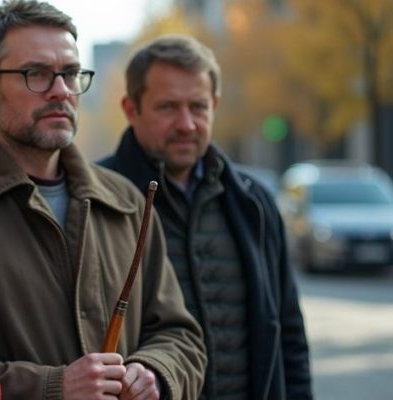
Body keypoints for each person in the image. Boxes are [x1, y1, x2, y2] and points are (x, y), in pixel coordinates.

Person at [0, 1, 206, 399]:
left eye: (70, 73)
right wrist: (54, 387)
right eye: (37, 74)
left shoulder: (126, 202)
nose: (62, 91)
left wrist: (155, 370)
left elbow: (180, 334)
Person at [98, 34, 312, 399]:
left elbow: (288, 334)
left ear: (214, 105)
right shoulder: (97, 199)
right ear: (131, 109)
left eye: (198, 106)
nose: (186, 124)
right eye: (168, 107)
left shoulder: (253, 202)